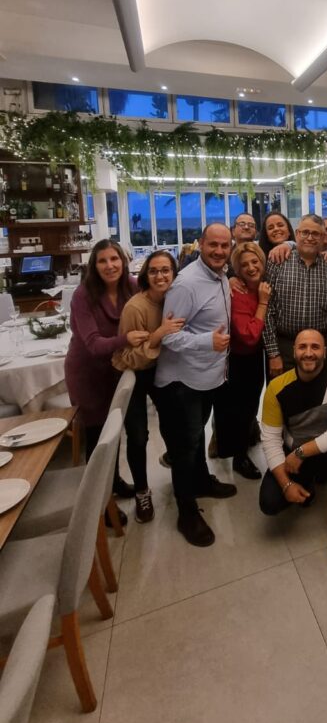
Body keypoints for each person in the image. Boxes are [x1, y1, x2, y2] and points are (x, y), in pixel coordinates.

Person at [155, 223, 237, 547]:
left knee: (196, 436)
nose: (218, 251)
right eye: (212, 245)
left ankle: (201, 481)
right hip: (182, 381)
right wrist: (208, 342)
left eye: (224, 245)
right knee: (184, 447)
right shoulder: (186, 284)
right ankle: (186, 511)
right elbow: (170, 335)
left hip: (207, 376)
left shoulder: (221, 275)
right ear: (200, 244)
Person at [259, 329, 327, 564]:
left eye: (315, 347)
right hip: (295, 454)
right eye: (302, 347)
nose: (309, 353)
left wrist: (300, 453)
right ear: (293, 352)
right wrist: (285, 484)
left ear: (325, 352)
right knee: (270, 503)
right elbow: (271, 440)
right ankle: (308, 484)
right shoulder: (276, 388)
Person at [65, 240, 146, 506]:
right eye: (102, 260)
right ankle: (100, 507)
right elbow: (93, 344)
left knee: (117, 433)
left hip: (118, 371)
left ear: (123, 261)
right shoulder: (83, 295)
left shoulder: (132, 286)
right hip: (88, 374)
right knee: (99, 439)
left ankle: (114, 483)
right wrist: (126, 338)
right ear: (94, 265)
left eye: (115, 259)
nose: (110, 265)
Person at [112, 250, 185, 522]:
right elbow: (125, 357)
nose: (160, 276)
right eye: (154, 271)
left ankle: (181, 482)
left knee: (173, 427)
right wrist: (157, 336)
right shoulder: (135, 307)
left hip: (164, 372)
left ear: (174, 274)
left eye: (166, 270)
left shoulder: (175, 300)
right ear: (145, 275)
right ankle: (142, 490)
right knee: (139, 435)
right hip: (135, 374)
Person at [264, 214, 327, 377]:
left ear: (323, 237)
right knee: (284, 399)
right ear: (297, 234)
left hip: (322, 345)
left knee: (322, 400)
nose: (310, 238)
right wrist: (273, 353)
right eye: (305, 232)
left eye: (315, 234)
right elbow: (267, 310)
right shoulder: (277, 261)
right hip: (285, 346)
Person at [219, 240, 271, 479]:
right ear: (236, 271)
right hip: (241, 359)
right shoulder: (238, 293)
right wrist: (262, 303)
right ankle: (239, 458)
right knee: (243, 408)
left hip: (259, 355)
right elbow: (249, 336)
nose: (251, 267)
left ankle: (245, 443)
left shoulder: (262, 284)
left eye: (255, 261)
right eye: (244, 265)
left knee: (250, 406)